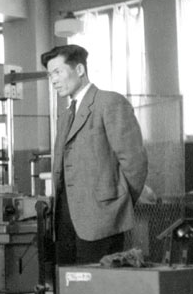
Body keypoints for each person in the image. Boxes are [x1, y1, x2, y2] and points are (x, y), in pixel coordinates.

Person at [41, 44, 147, 265]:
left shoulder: (110, 103)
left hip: (102, 220)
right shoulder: (66, 116)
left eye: (58, 72)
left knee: (97, 284)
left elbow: (134, 163)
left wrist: (118, 203)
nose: (53, 80)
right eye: (50, 75)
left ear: (79, 70)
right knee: (69, 282)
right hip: (65, 223)